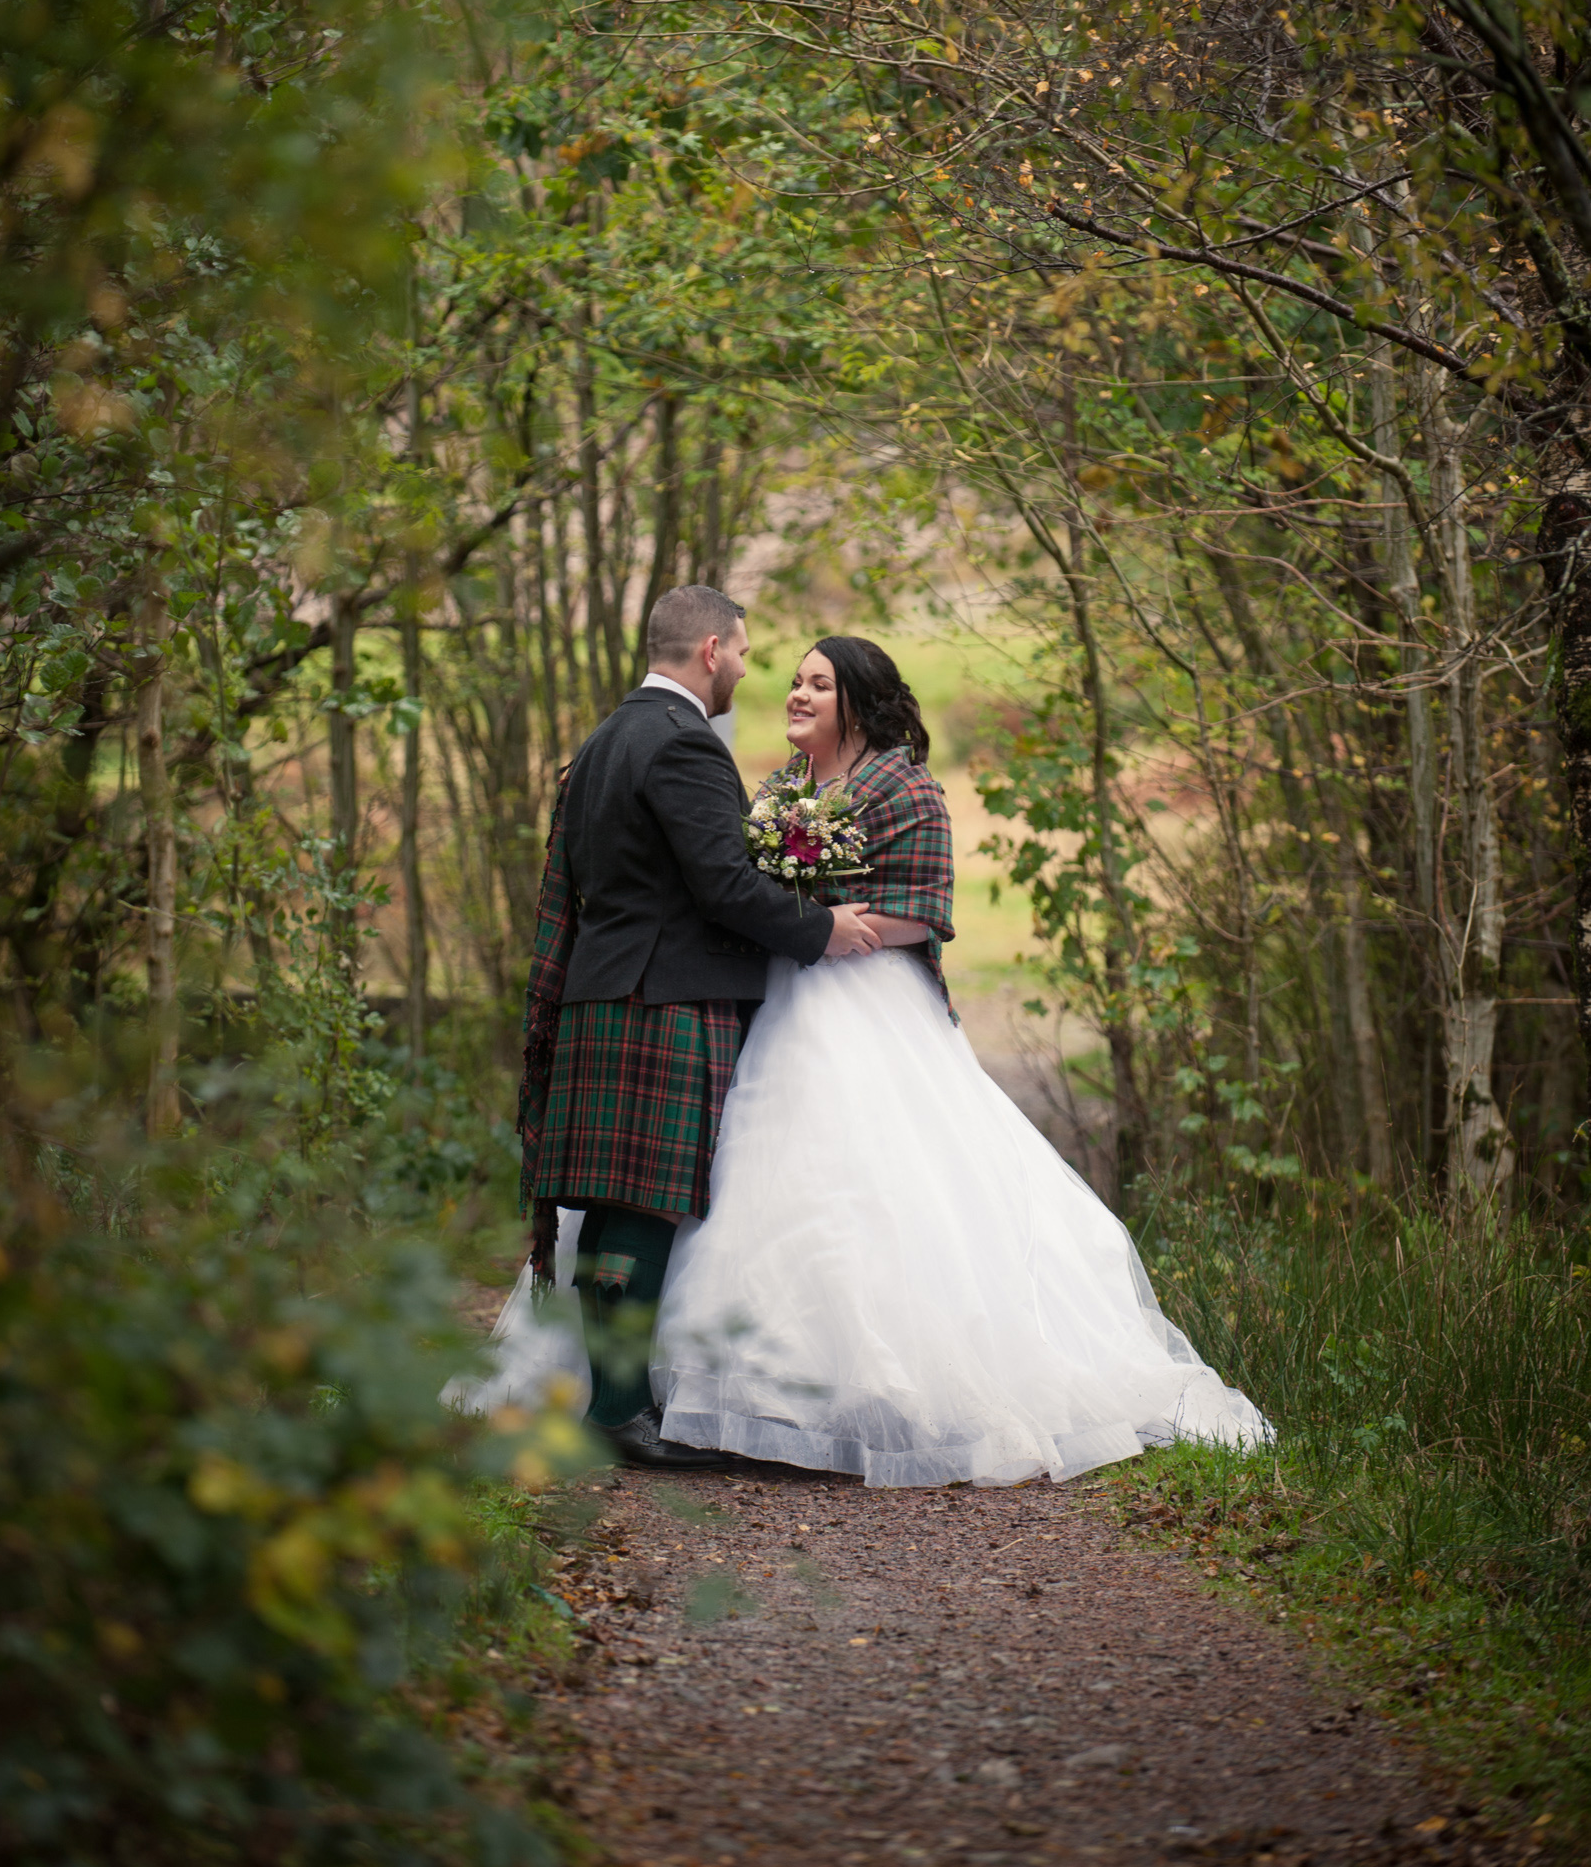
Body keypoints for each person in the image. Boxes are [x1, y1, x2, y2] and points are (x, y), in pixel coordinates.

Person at [651, 634, 1271, 1485]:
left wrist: (845, 929)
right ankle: (742, 1393)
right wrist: (800, 922)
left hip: (865, 1001)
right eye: (792, 682)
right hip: (776, 994)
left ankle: (874, 1397)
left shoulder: (905, 784)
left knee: (868, 1188)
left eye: (817, 685)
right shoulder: (779, 789)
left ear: (858, 704)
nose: (795, 695)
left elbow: (926, 907)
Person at [510, 586, 884, 1469]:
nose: (750, 674)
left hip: (605, 992)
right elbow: (722, 883)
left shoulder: (604, 738)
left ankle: (612, 1401)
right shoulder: (683, 742)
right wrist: (820, 929)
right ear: (710, 649)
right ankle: (617, 1411)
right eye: (748, 656)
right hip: (666, 998)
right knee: (645, 1207)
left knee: (612, 1210)